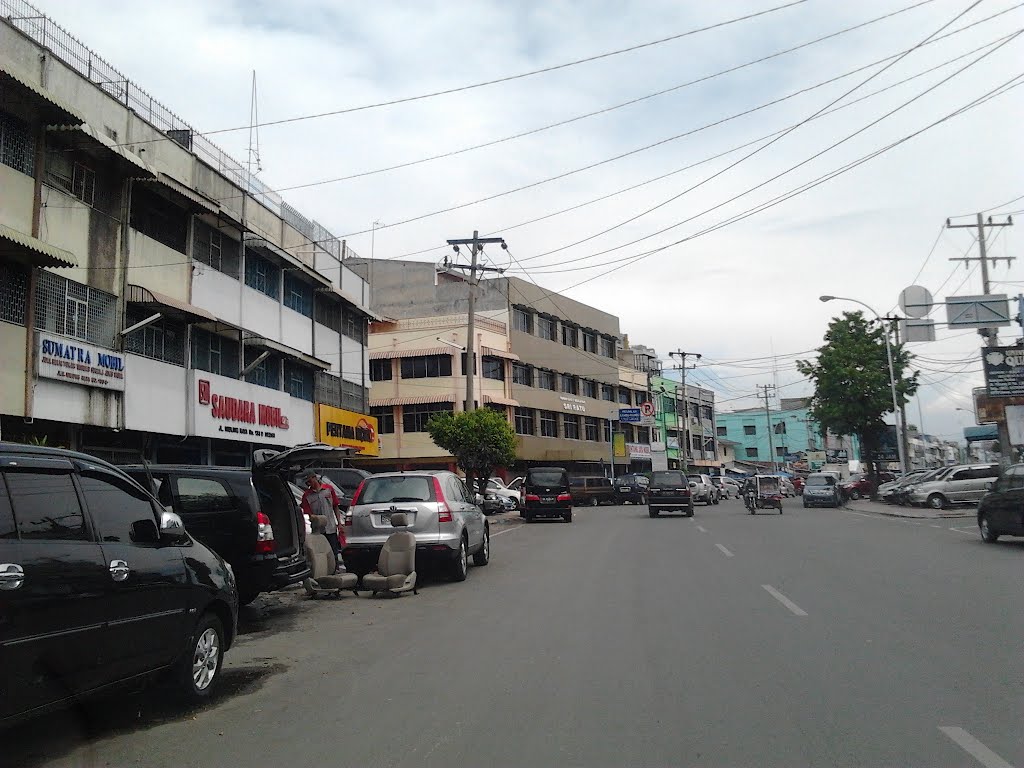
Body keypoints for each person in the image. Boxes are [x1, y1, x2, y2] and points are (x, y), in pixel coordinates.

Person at [300, 471, 343, 560]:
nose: (309, 484)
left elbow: (335, 506)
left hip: (331, 527)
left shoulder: (329, 489)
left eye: (310, 481)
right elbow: (308, 514)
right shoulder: (307, 496)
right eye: (307, 483)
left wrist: (339, 523)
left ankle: (335, 568)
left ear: (314, 478)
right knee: (321, 553)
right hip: (318, 531)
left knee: (333, 552)